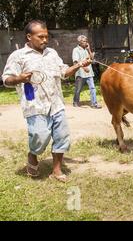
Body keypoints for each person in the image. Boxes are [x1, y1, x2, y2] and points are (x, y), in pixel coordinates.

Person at [1, 20, 92, 182]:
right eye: (40, 36)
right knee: (40, 136)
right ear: (29, 37)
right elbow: (6, 79)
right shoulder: (18, 56)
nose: (45, 40)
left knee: (62, 136)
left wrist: (78, 65)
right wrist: (18, 78)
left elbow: (64, 72)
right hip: (34, 105)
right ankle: (33, 155)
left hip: (56, 103)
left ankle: (56, 170)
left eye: (46, 36)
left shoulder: (52, 53)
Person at [72, 35, 102, 109]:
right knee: (78, 89)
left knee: (92, 88)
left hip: (89, 72)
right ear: (80, 42)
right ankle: (75, 101)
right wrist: (84, 68)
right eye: (84, 41)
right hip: (80, 73)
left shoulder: (86, 49)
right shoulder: (76, 50)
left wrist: (89, 49)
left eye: (86, 41)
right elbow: (75, 62)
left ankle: (94, 104)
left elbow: (92, 58)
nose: (86, 43)